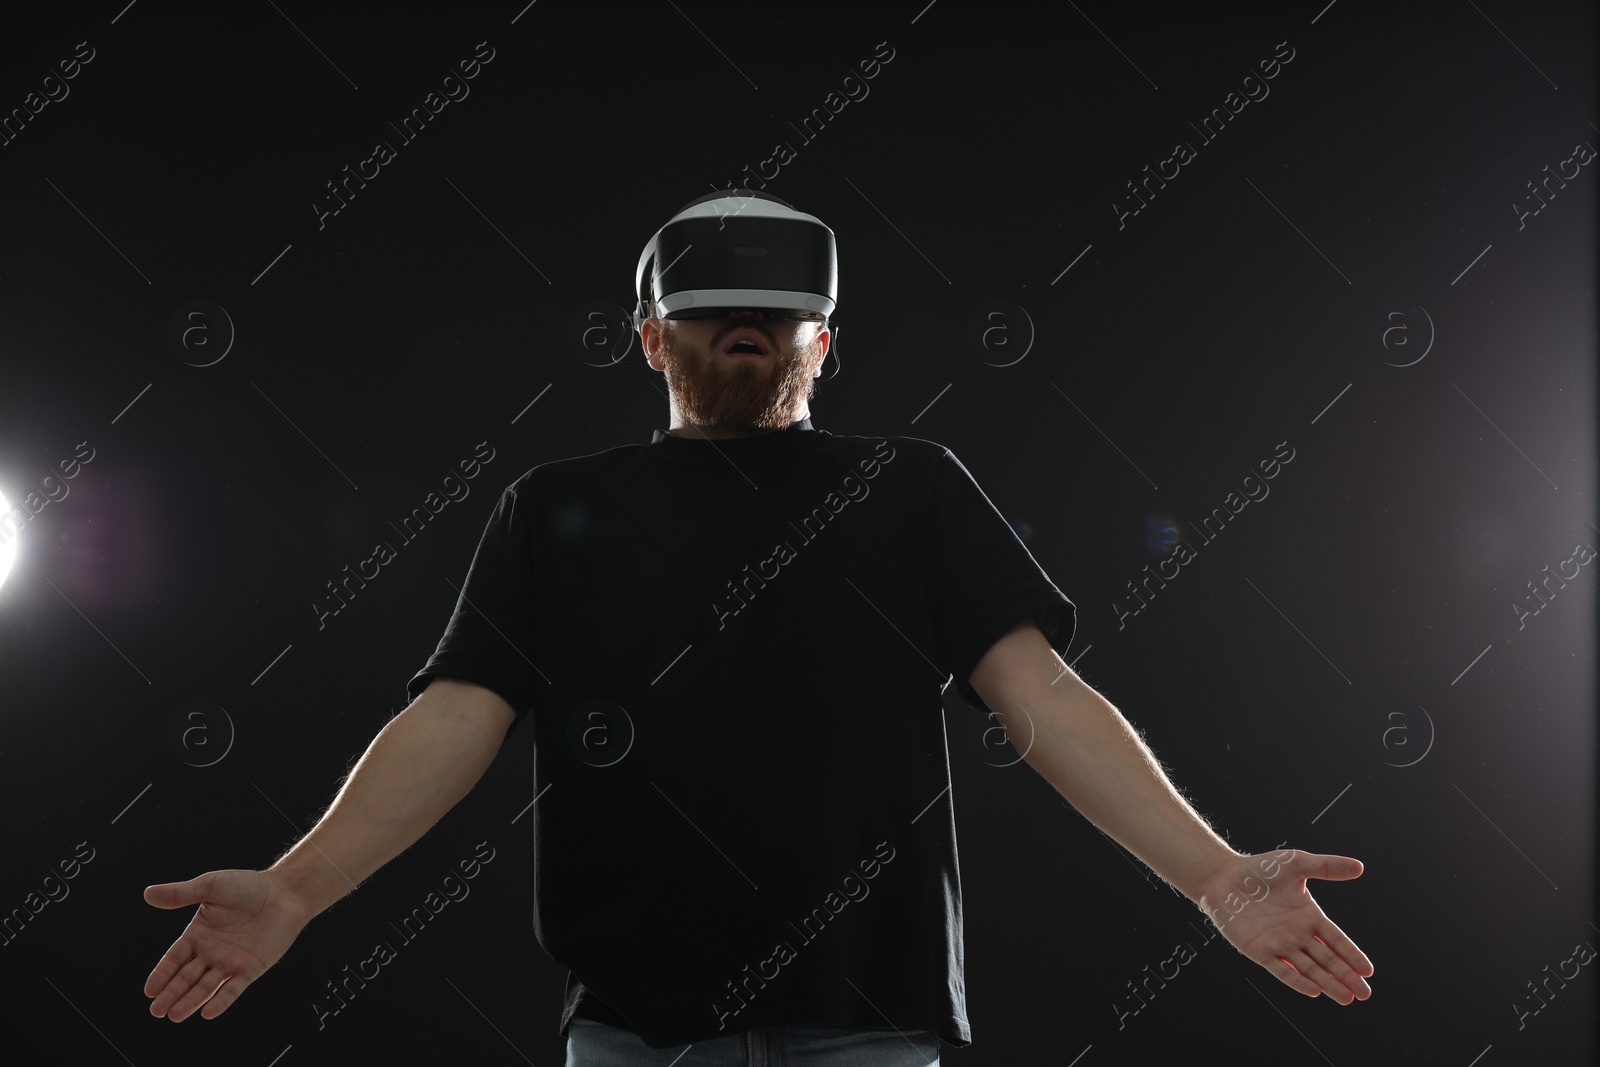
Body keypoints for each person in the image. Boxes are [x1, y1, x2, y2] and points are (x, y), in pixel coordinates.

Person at [144, 191, 1374, 1065]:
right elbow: (455, 715)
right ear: (648, 337)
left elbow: (1042, 699)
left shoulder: (911, 488)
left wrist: (1216, 873)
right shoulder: (556, 507)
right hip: (633, 1033)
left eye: (780, 310)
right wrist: (297, 888)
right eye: (713, 303)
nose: (750, 321)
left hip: (869, 1025)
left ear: (822, 342)